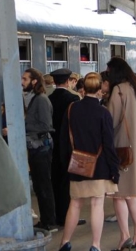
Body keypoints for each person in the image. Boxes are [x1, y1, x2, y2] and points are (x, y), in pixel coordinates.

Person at [57, 73, 120, 251]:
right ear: (100, 90)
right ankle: (95, 245)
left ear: (83, 88)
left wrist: (66, 164)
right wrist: (114, 169)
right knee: (97, 204)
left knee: (75, 203)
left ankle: (65, 242)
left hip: (77, 165)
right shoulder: (103, 113)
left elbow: (63, 140)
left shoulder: (71, 109)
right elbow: (109, 144)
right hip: (99, 166)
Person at [105, 58, 136, 250]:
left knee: (118, 194)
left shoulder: (118, 91)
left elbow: (111, 120)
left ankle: (125, 235)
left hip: (121, 148)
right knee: (131, 194)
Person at [13, 68, 58, 231]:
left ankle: (49, 221)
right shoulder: (33, 98)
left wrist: (20, 127)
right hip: (37, 147)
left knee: (43, 184)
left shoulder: (41, 100)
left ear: (34, 81)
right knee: (39, 185)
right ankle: (47, 220)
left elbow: (46, 125)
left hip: (41, 147)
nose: (21, 82)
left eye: (25, 79)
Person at [48, 68, 82, 228]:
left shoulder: (48, 99)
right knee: (68, 182)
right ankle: (69, 216)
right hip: (69, 145)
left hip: (52, 144)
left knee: (55, 179)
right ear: (68, 81)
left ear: (54, 82)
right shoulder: (73, 98)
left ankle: (57, 214)